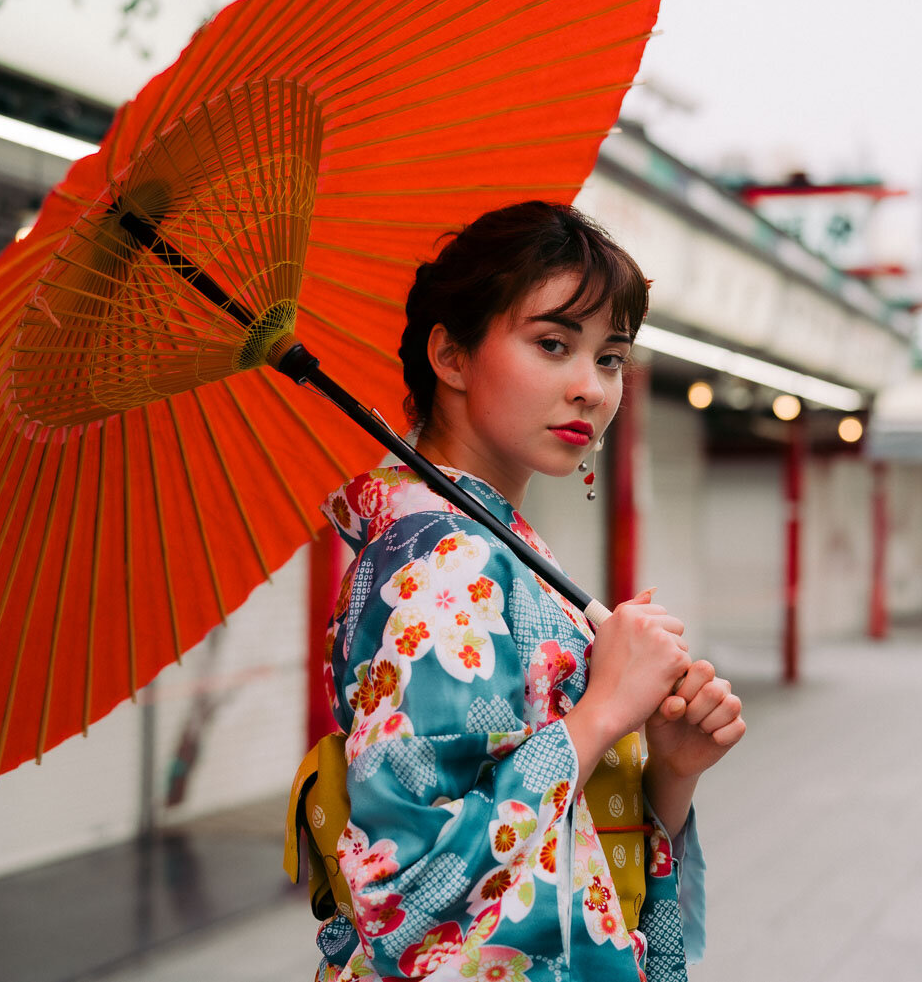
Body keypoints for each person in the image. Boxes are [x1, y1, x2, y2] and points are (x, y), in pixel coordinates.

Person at [305, 201, 744, 980]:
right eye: (552, 344)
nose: (591, 387)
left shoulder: (483, 545)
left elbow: (571, 830)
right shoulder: (442, 563)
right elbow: (412, 888)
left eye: (611, 357)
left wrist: (665, 772)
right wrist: (606, 706)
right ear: (451, 355)